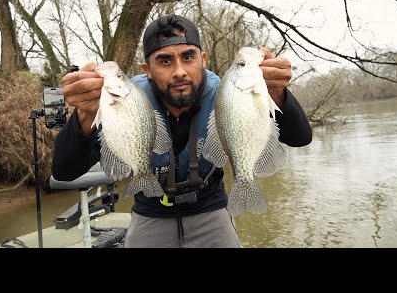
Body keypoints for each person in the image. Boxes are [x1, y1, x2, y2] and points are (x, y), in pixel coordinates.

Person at [51, 13, 312, 248]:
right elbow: (64, 172)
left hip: (210, 206)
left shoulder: (231, 94)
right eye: (164, 60)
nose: (179, 72)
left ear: (203, 60)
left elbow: (300, 138)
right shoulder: (125, 101)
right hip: (150, 210)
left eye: (188, 57)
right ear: (148, 70)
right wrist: (85, 115)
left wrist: (278, 93)